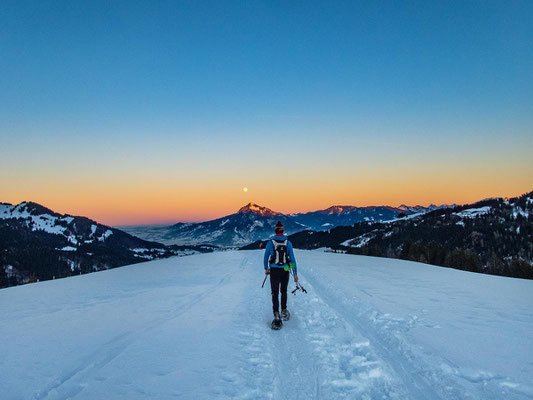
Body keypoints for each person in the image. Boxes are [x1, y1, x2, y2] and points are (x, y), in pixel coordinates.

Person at [263, 221, 298, 328]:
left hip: (274, 270)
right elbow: (292, 259)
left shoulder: (270, 242)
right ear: (283, 230)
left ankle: (276, 313)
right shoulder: (288, 243)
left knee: (275, 292)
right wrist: (295, 274)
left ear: (275, 230)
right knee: (283, 291)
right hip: (285, 270)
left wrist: (266, 269)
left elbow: (265, 257)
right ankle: (284, 310)